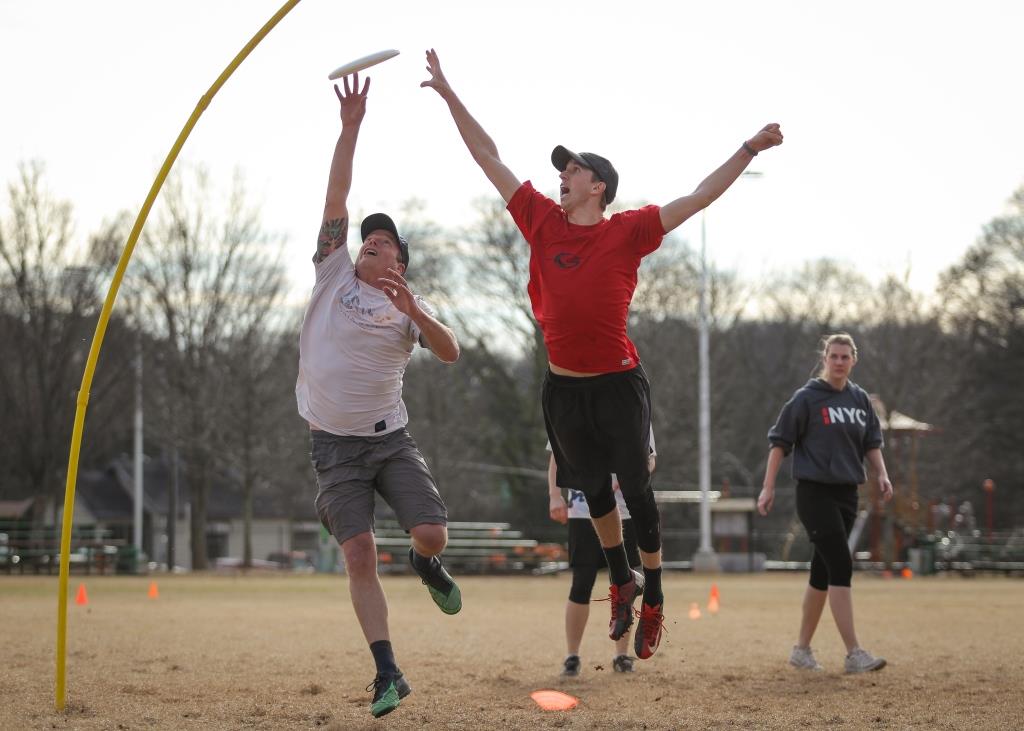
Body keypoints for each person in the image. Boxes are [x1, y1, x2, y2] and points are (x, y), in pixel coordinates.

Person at [421, 48, 783, 660]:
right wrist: (451, 95)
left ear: (600, 186)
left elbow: (696, 197)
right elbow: (489, 157)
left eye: (574, 170)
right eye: (562, 170)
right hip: (564, 389)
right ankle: (623, 581)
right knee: (592, 493)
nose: (561, 175)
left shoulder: (628, 231)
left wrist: (747, 149)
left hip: (618, 383)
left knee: (637, 489)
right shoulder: (541, 221)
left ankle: (656, 593)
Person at [296, 74, 463, 719]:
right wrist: (350, 125)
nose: (372, 240)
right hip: (332, 446)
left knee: (431, 533)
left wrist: (413, 309)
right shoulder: (332, 269)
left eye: (385, 240)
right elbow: (336, 192)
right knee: (359, 554)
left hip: (388, 440)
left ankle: (428, 568)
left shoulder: (406, 311)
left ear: (400, 260)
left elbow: (450, 352)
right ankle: (388, 672)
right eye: (369, 236)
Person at [757, 333, 893, 674]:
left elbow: (871, 442)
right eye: (833, 356)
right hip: (814, 493)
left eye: (845, 357)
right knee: (840, 563)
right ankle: (854, 653)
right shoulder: (806, 398)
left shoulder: (859, 399)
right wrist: (768, 486)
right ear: (825, 358)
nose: (839, 362)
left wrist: (882, 474)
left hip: (847, 492)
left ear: (853, 361)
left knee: (822, 571)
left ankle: (801, 650)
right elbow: (779, 442)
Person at [547, 429, 657, 677]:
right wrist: (554, 495)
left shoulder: (634, 402)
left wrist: (633, 475)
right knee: (581, 584)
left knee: (624, 585)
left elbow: (650, 458)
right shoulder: (576, 396)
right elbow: (557, 453)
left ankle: (621, 655)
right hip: (582, 511)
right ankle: (572, 656)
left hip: (623, 512)